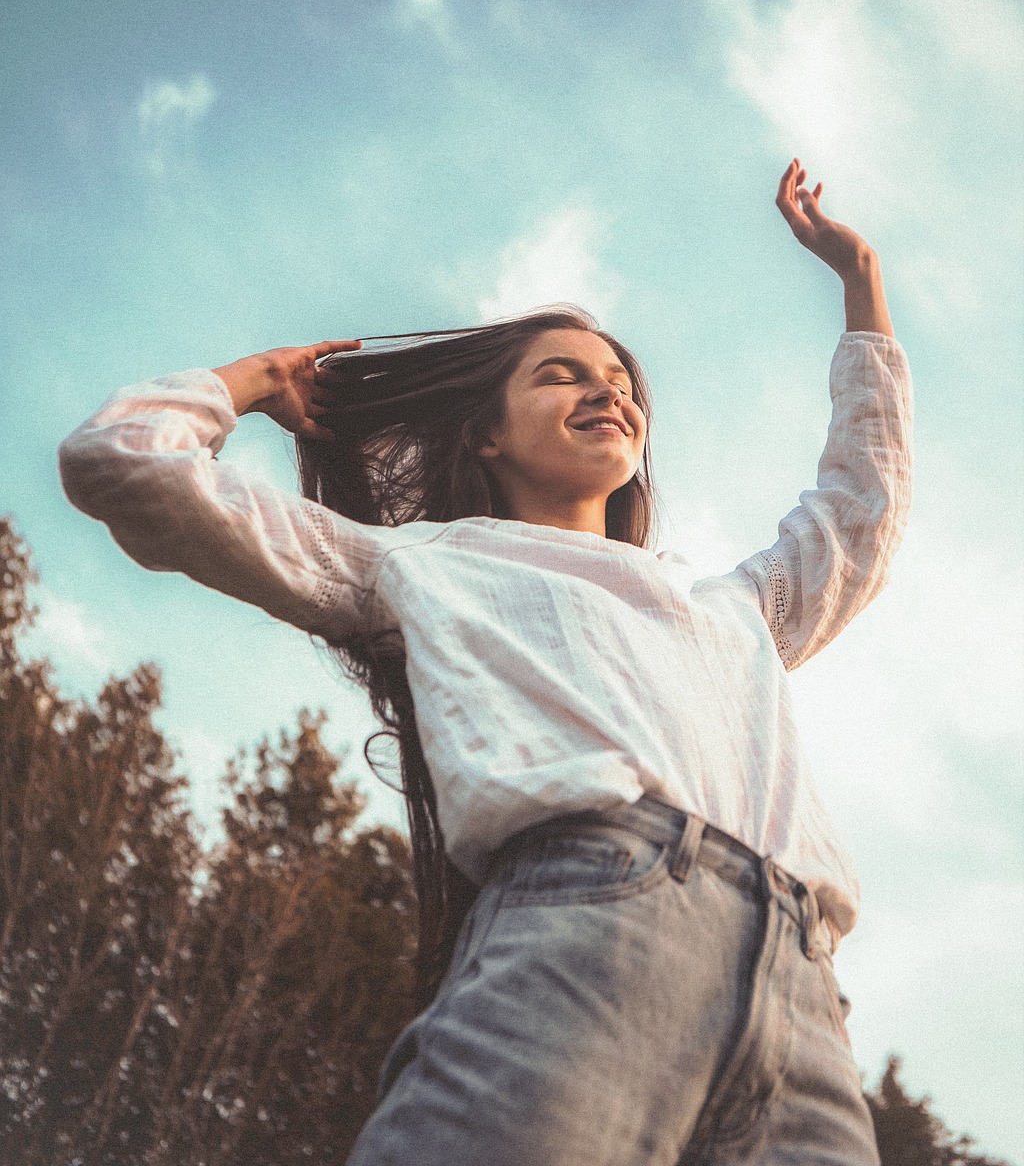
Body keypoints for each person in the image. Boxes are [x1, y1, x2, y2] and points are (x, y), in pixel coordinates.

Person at [59, 160, 912, 1165]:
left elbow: (861, 510)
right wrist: (250, 380)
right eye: (562, 372)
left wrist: (861, 282)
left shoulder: (728, 605)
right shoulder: (419, 564)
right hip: (593, 923)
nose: (608, 388)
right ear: (488, 432)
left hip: (805, 1000)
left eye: (622, 381)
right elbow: (123, 461)